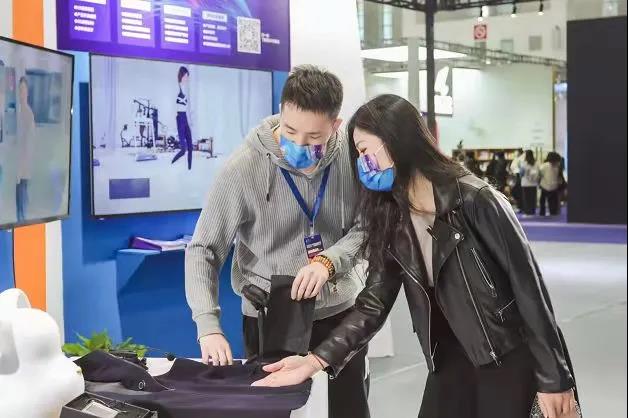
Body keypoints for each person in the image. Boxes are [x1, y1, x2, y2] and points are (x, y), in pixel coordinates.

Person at [252, 95, 578, 418]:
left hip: (507, 358)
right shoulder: (393, 216)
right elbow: (373, 304)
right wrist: (313, 361)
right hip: (448, 359)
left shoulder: (476, 200)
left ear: (396, 141)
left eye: (365, 151)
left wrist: (555, 380)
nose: (362, 163)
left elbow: (530, 292)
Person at [185, 65, 368, 418]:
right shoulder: (243, 168)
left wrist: (329, 261)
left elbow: (368, 227)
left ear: (335, 125)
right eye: (290, 131)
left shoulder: (351, 158)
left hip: (339, 314)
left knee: (348, 410)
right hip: (270, 318)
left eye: (313, 137)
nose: (298, 145)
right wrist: (207, 326)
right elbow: (203, 250)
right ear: (281, 113)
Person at [16, 77, 36, 223]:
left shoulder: (28, 114)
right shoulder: (18, 111)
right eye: (20, 90)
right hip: (17, 164)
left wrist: (24, 165)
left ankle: (23, 222)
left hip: (24, 165)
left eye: (23, 90)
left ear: (27, 92)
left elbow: (29, 142)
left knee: (22, 197)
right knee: (19, 196)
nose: (21, 93)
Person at [171, 66, 193, 170]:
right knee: (183, 150)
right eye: (186, 76)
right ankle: (171, 163)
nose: (187, 79)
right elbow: (174, 106)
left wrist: (189, 121)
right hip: (180, 118)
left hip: (185, 118)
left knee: (191, 147)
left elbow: (186, 108)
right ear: (182, 75)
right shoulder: (176, 88)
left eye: (187, 77)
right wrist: (176, 120)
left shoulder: (184, 89)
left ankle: (190, 169)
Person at [539, 152, 563, 216]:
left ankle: (549, 212)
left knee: (549, 200)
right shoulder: (546, 166)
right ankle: (548, 212)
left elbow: (540, 174)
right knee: (547, 200)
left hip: (550, 185)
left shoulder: (556, 166)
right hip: (547, 185)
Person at [520, 150, 540, 216]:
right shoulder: (536, 163)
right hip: (534, 184)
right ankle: (532, 211)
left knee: (526, 199)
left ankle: (527, 212)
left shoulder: (523, 163)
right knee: (533, 198)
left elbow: (521, 174)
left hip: (525, 183)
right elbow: (538, 173)